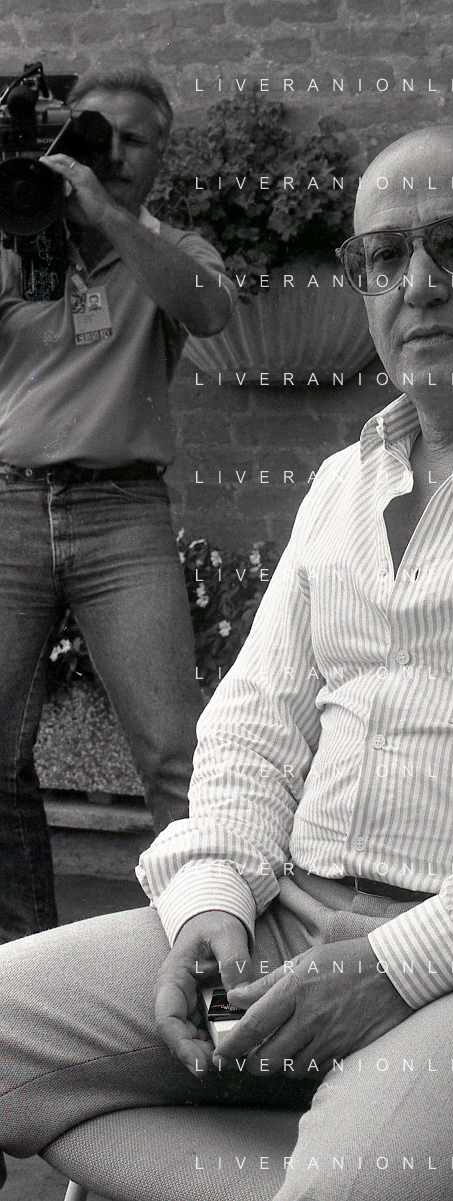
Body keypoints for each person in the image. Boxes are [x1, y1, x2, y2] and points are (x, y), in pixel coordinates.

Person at [0, 125, 453, 1200]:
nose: (419, 283)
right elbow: (253, 729)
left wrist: (401, 962)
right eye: (384, 256)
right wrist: (212, 903)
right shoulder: (341, 486)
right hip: (285, 926)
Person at [0, 69, 235, 941]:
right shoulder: (15, 237)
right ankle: (23, 956)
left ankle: (201, 943)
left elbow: (208, 312)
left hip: (121, 514)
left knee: (175, 751)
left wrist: (106, 216)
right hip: (10, 503)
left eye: (135, 141)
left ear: (161, 155)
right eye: (99, 135)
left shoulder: (171, 247)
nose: (116, 154)